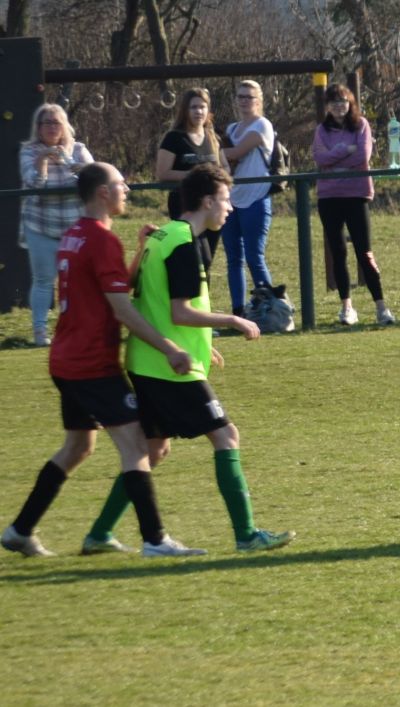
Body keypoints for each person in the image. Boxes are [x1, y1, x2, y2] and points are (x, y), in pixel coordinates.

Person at [2, 162, 204, 558]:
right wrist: (169, 348)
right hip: (91, 363)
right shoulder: (101, 240)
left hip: (66, 359)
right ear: (102, 193)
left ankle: (19, 530)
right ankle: (155, 540)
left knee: (78, 447)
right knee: (138, 445)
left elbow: (109, 288)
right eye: (120, 184)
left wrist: (139, 251)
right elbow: (122, 309)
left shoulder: (75, 235)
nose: (127, 189)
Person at [114, 162, 295, 552]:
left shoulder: (164, 235)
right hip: (170, 365)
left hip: (147, 359)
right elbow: (180, 311)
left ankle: (99, 533)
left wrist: (201, 341)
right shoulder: (184, 243)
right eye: (226, 200)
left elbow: (153, 300)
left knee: (150, 451)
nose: (229, 208)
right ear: (208, 201)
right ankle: (247, 535)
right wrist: (233, 319)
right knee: (226, 435)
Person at [312, 83, 396, 326]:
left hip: (357, 195)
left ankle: (381, 306)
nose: (339, 106)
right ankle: (347, 307)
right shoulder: (321, 130)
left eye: (343, 101)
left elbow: (363, 156)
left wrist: (336, 161)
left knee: (364, 252)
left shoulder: (361, 126)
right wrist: (343, 150)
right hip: (329, 197)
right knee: (338, 252)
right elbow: (320, 158)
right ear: (327, 106)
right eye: (334, 102)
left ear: (350, 103)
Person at [19, 103, 94, 346]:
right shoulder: (29, 151)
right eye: (47, 123)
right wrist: (42, 160)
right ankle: (40, 332)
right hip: (40, 225)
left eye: (56, 123)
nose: (52, 127)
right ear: (38, 127)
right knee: (43, 280)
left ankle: (77, 328)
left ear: (65, 126)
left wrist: (82, 169)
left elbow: (96, 178)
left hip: (74, 226)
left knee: (77, 280)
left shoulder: (78, 149)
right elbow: (35, 185)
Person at [155, 87, 229, 272]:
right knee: (195, 257)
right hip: (184, 203)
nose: (199, 111)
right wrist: (196, 176)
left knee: (208, 260)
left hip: (212, 205)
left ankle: (203, 290)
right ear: (185, 110)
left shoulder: (212, 138)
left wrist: (219, 179)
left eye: (202, 107)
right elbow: (163, 173)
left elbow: (225, 167)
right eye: (194, 107)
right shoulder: (174, 138)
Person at [221, 79, 275, 316]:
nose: (244, 101)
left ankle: (272, 309)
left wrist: (213, 152)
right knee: (234, 259)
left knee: (254, 257)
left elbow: (235, 152)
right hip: (231, 200)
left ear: (259, 100)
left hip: (256, 199)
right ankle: (238, 311)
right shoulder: (231, 129)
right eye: (240, 96)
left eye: (249, 97)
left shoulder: (262, 125)